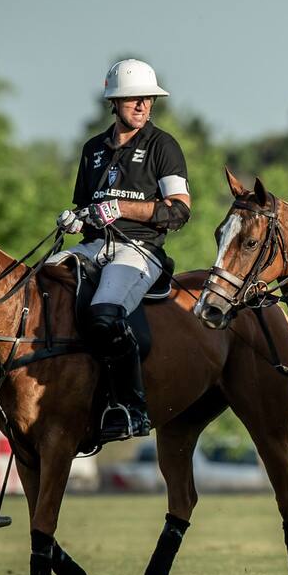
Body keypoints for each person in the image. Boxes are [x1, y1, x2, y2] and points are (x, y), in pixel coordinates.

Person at [54, 59, 191, 442]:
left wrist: (123, 208)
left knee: (102, 316)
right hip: (93, 245)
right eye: (133, 99)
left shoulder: (162, 145)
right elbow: (86, 207)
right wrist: (75, 220)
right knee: (37, 289)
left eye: (147, 98)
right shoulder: (92, 149)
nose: (142, 105)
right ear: (113, 102)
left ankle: (131, 407)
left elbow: (179, 211)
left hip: (138, 249)